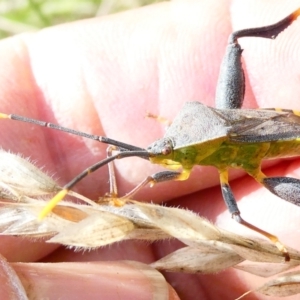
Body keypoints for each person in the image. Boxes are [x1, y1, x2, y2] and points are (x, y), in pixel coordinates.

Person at [1, 0, 300, 299]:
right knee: (232, 38)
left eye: (166, 151)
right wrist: (121, 198)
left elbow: (178, 173)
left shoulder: (191, 157)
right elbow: (157, 167)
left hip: (273, 138)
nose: (160, 158)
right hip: (248, 131)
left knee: (235, 217)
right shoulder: (183, 146)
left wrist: (273, 240)